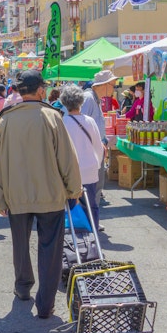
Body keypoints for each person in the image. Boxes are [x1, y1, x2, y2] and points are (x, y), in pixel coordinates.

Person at [0, 70, 82, 319]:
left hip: (16, 193)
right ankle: (46, 303)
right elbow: (67, 159)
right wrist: (74, 189)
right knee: (50, 249)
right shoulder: (52, 117)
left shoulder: (6, 120)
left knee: (20, 244)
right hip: (50, 193)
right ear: (41, 90)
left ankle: (23, 287)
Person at [59, 85, 104, 232]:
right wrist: (96, 166)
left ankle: (74, 241)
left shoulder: (61, 122)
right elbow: (98, 147)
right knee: (91, 206)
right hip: (89, 169)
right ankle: (93, 235)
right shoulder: (90, 121)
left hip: (69, 172)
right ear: (81, 102)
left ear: (64, 102)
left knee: (70, 208)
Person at [81, 70, 116, 205]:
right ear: (104, 85)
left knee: (96, 186)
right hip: (90, 151)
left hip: (95, 149)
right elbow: (81, 124)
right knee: (91, 187)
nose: (114, 88)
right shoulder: (89, 99)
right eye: (113, 85)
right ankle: (89, 220)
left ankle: (92, 220)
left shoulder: (95, 99)